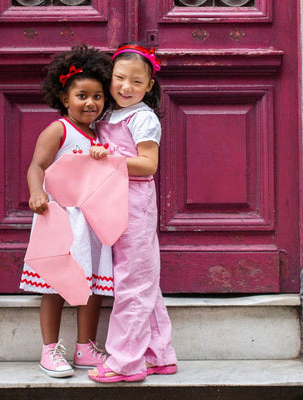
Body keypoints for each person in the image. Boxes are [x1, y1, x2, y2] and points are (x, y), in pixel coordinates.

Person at [19, 45, 113, 378]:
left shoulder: (100, 134)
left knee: (90, 287)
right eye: (82, 96)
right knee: (57, 285)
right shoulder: (59, 130)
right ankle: (50, 350)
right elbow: (37, 166)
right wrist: (35, 193)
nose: (91, 103)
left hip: (90, 221)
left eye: (98, 96)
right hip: (58, 216)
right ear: (64, 98)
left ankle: (85, 347)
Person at [88, 44, 177, 383]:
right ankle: (159, 355)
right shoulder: (108, 116)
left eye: (136, 82)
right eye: (119, 79)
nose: (126, 87)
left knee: (133, 283)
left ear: (149, 86)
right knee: (143, 280)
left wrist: (108, 159)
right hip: (112, 200)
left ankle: (125, 362)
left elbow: (148, 164)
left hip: (134, 203)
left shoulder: (143, 118)